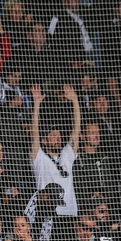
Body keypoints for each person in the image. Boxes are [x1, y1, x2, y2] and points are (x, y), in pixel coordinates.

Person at [29, 84, 81, 217]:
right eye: (53, 136)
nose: (57, 139)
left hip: (70, 214)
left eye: (58, 136)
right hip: (48, 215)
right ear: (44, 141)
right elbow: (34, 133)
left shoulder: (66, 155)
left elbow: (76, 131)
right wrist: (37, 104)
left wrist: (75, 100)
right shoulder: (39, 158)